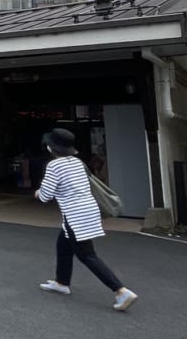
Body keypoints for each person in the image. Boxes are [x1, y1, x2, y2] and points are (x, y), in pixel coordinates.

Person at [35, 128, 137, 311]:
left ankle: (121, 291)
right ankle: (61, 282)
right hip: (87, 211)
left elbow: (45, 195)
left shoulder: (54, 166)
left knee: (87, 255)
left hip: (75, 215)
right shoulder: (77, 162)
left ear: (51, 147)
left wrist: (38, 193)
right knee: (63, 245)